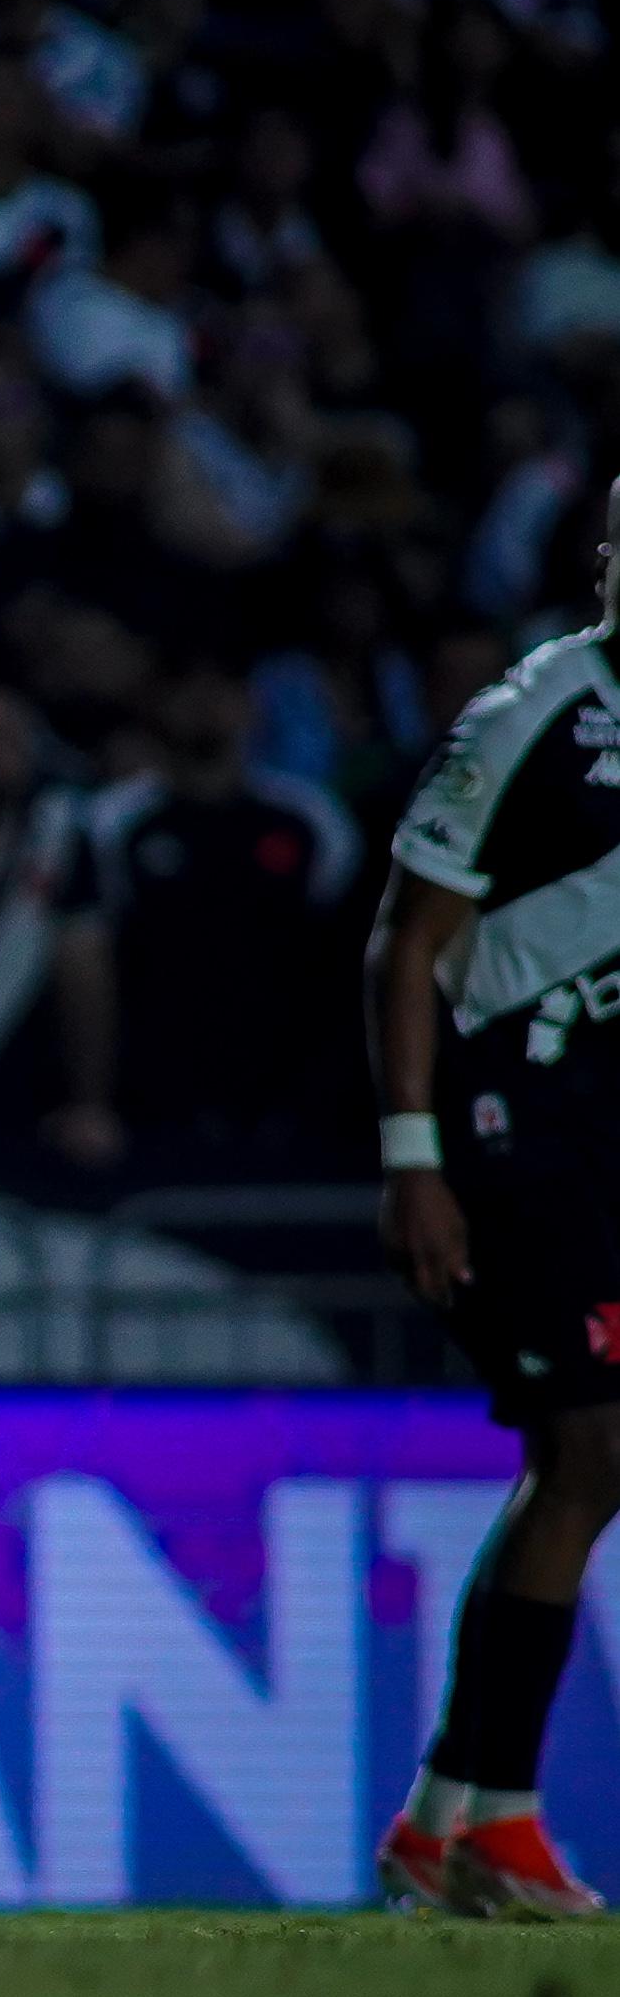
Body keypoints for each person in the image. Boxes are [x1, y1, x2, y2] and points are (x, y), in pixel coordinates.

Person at [366, 476, 620, 1922]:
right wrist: (412, 1151)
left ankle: (445, 1817)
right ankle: (490, 1822)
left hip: (588, 1126)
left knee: (580, 1462)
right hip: (495, 1113)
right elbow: (404, 943)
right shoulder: (539, 707)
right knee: (586, 1446)